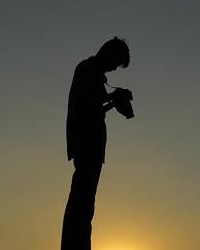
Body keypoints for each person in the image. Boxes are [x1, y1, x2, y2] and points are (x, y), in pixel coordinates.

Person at [61, 37, 132, 250]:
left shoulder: (92, 74)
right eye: (115, 63)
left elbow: (94, 107)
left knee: (84, 204)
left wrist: (113, 99)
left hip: (89, 145)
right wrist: (114, 98)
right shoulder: (87, 71)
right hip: (87, 144)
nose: (113, 69)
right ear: (108, 53)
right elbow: (88, 109)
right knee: (81, 205)